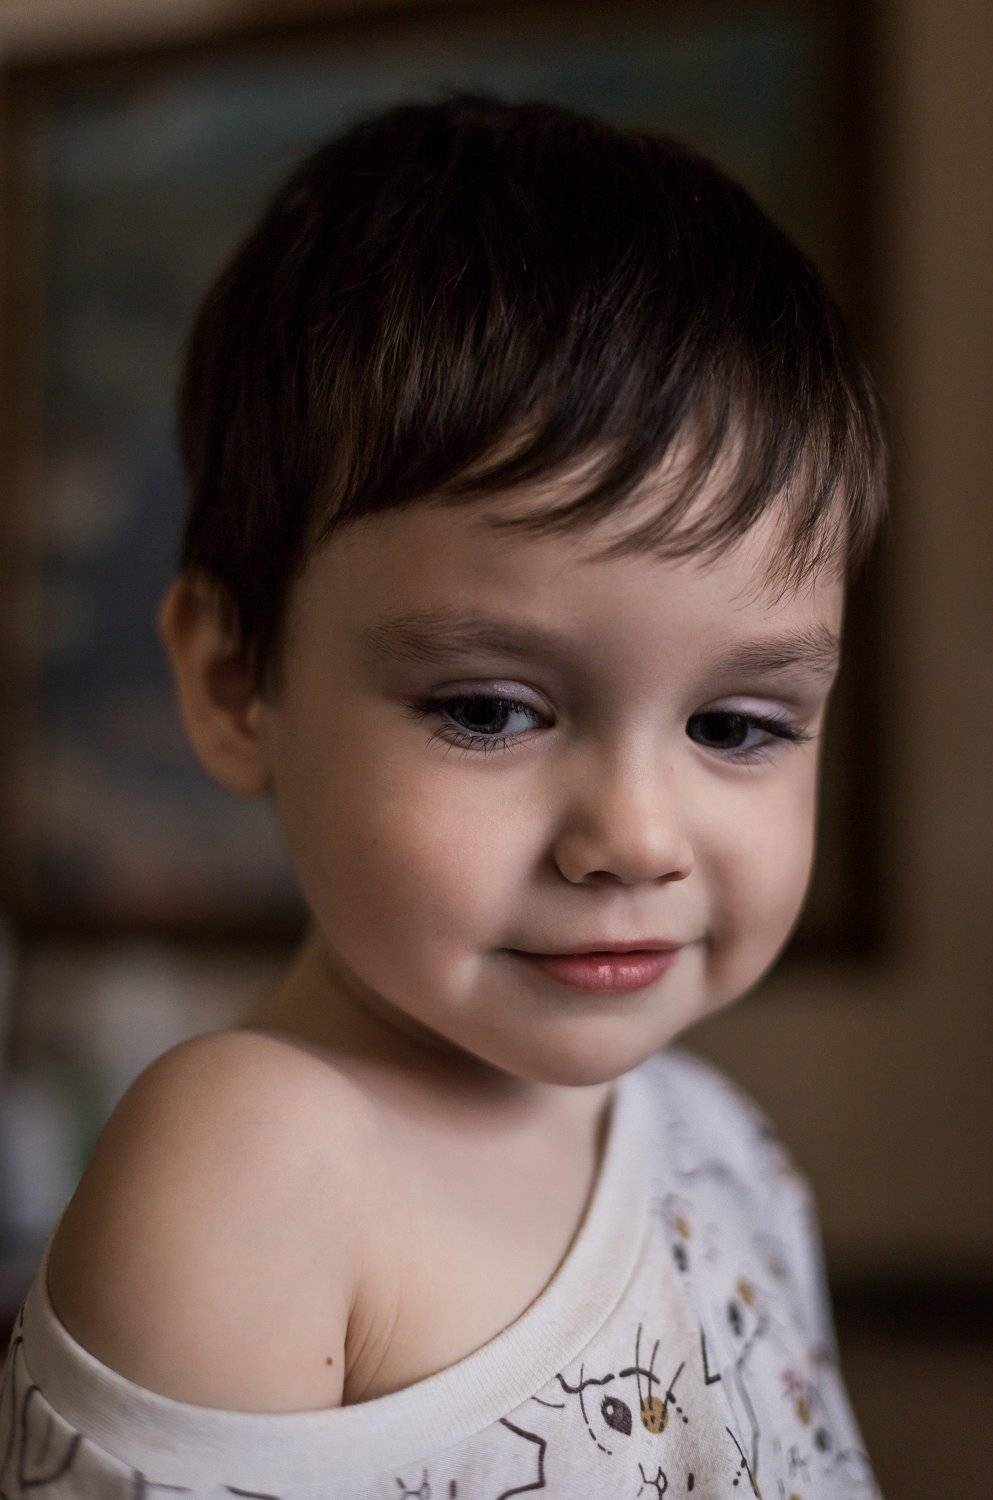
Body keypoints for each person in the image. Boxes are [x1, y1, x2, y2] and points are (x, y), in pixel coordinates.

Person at [0, 92, 887, 1497]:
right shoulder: (252, 1164)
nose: (636, 839)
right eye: (488, 710)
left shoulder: (720, 1143)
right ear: (235, 683)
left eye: (736, 724)